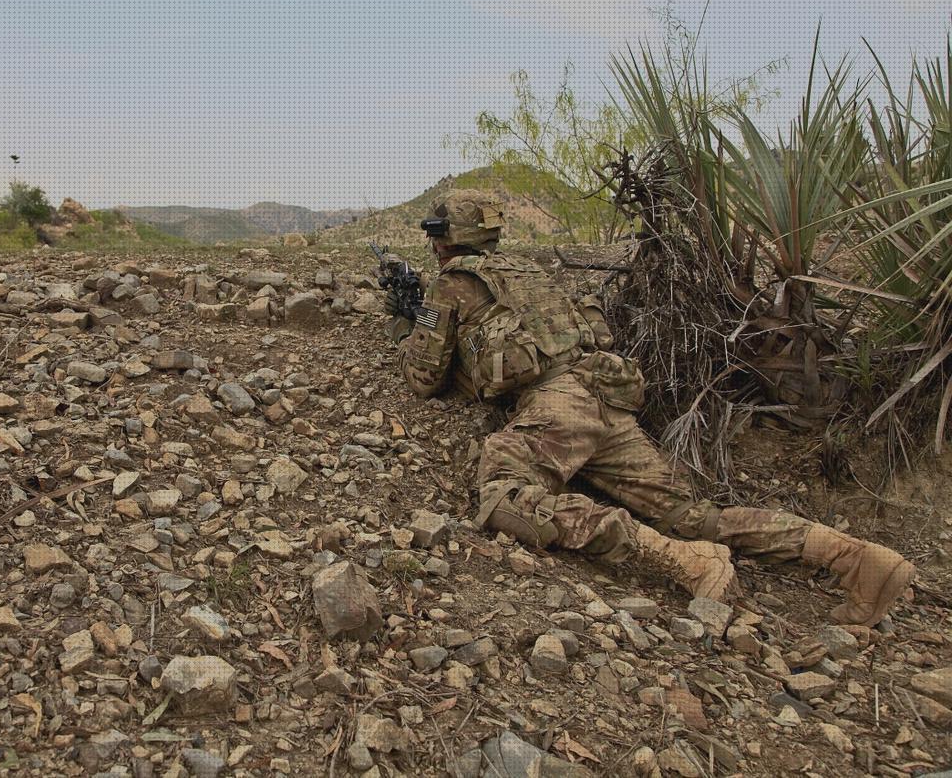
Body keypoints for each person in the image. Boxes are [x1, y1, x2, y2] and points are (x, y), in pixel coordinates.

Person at [386, 189, 915, 626]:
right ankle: (854, 558)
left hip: (558, 405)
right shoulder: (532, 272)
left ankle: (681, 560)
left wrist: (405, 326)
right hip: (606, 398)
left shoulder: (453, 284)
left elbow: (424, 379)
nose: (434, 248)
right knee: (691, 514)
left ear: (449, 239)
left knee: (500, 494)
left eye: (436, 236)